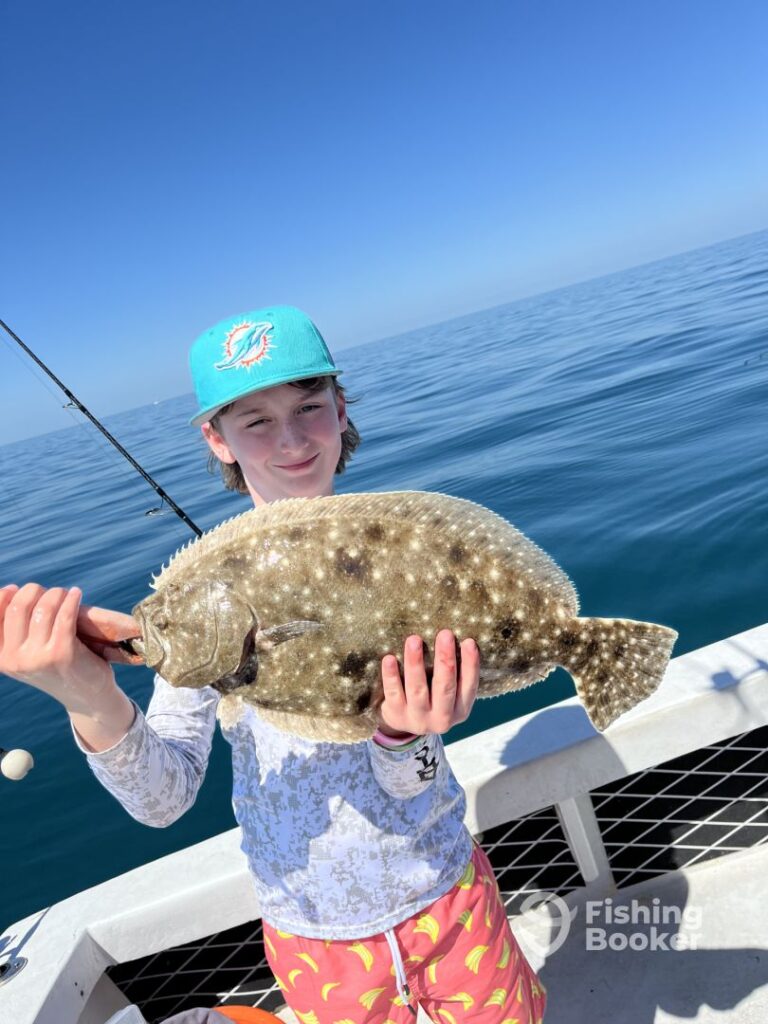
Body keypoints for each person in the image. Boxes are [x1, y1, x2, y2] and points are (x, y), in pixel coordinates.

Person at [0, 306, 546, 1023]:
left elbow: (409, 779)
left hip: (447, 891)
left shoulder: (393, 554)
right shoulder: (205, 601)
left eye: (308, 407)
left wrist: (406, 735)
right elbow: (162, 801)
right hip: (312, 933)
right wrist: (88, 698)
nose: (290, 439)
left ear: (341, 411)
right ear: (216, 439)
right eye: (255, 420)